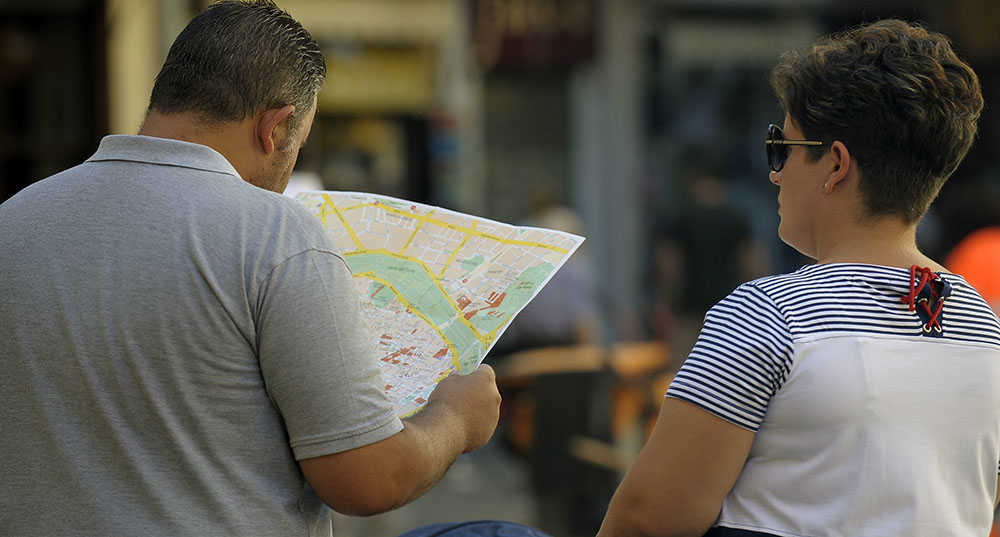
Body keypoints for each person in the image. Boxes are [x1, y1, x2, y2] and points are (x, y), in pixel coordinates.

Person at [0, 2, 500, 536]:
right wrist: (457, 420)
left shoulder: (14, 220)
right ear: (275, 127)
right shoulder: (274, 236)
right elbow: (368, 479)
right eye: (297, 148)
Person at [598, 19, 998, 537]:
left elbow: (646, 519)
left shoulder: (768, 316)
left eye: (781, 146)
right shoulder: (982, 324)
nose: (774, 172)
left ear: (834, 164)